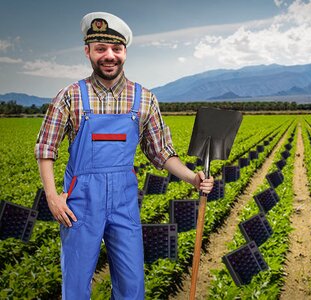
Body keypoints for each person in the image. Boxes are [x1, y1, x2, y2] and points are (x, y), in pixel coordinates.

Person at [34, 12, 213, 299]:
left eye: (116, 49)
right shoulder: (70, 96)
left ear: (125, 52)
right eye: (101, 48)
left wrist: (193, 178)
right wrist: (53, 197)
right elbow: (46, 148)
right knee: (77, 284)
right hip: (80, 202)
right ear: (88, 52)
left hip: (124, 202)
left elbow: (160, 152)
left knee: (132, 283)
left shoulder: (144, 99)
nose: (109, 56)